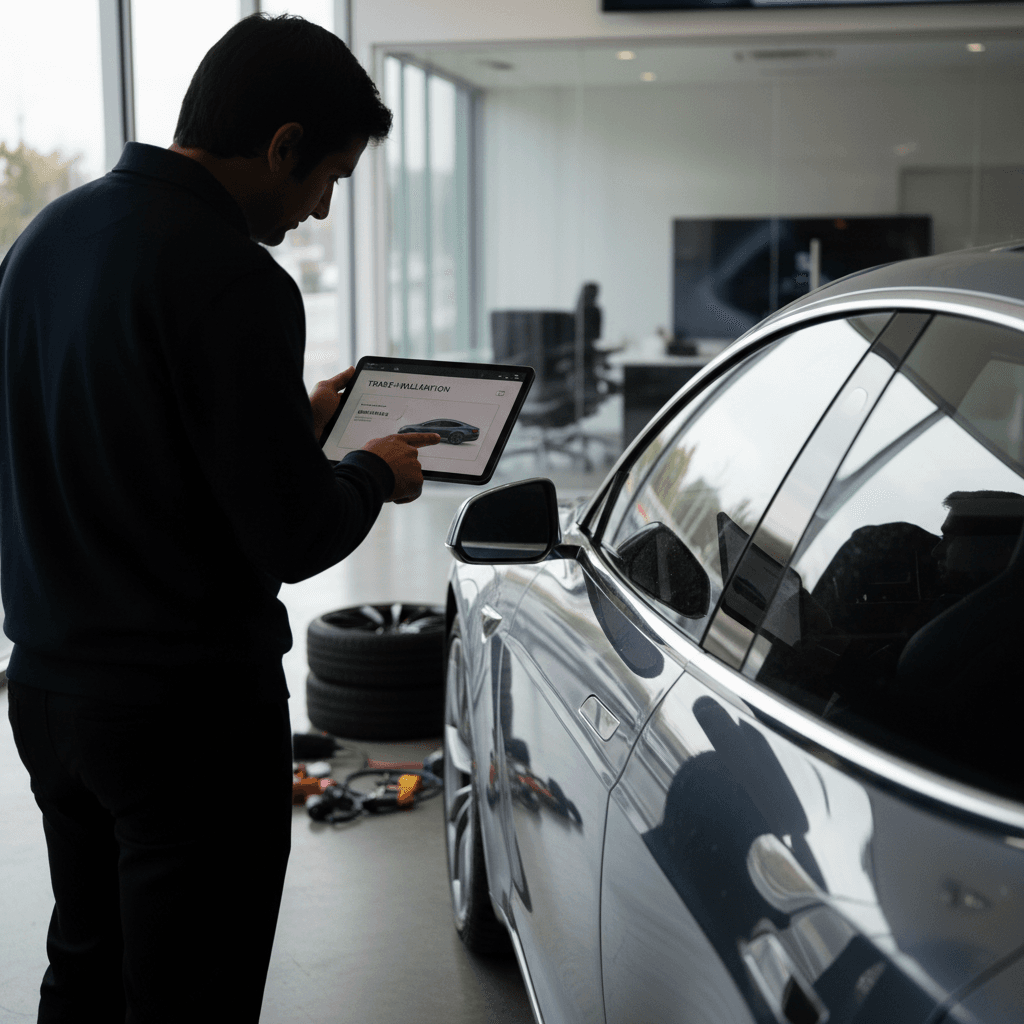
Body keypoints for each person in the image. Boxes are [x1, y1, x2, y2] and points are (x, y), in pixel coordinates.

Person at [0, 14, 437, 1023]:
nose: (320, 209)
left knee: (86, 967)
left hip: (52, 694)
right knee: (193, 995)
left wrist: (292, 421)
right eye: (328, 177)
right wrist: (370, 471)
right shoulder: (234, 274)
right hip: (183, 717)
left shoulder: (46, 238)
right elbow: (293, 534)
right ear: (283, 145)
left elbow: (111, 432)